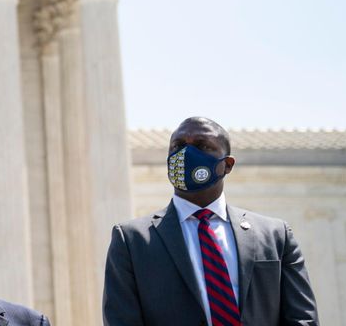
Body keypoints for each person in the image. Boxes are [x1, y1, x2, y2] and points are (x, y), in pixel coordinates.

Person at [103, 117, 317, 325]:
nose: (185, 154)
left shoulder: (275, 235)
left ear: (227, 165)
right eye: (177, 146)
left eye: (202, 146)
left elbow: (302, 318)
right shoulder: (131, 241)